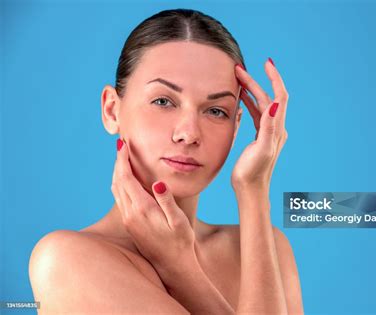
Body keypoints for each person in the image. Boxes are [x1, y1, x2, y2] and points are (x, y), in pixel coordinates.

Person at [29, 8, 303, 314]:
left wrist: (253, 189)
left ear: (237, 125)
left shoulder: (269, 248)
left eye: (216, 110)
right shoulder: (66, 261)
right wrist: (182, 273)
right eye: (163, 101)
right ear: (111, 110)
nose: (188, 134)